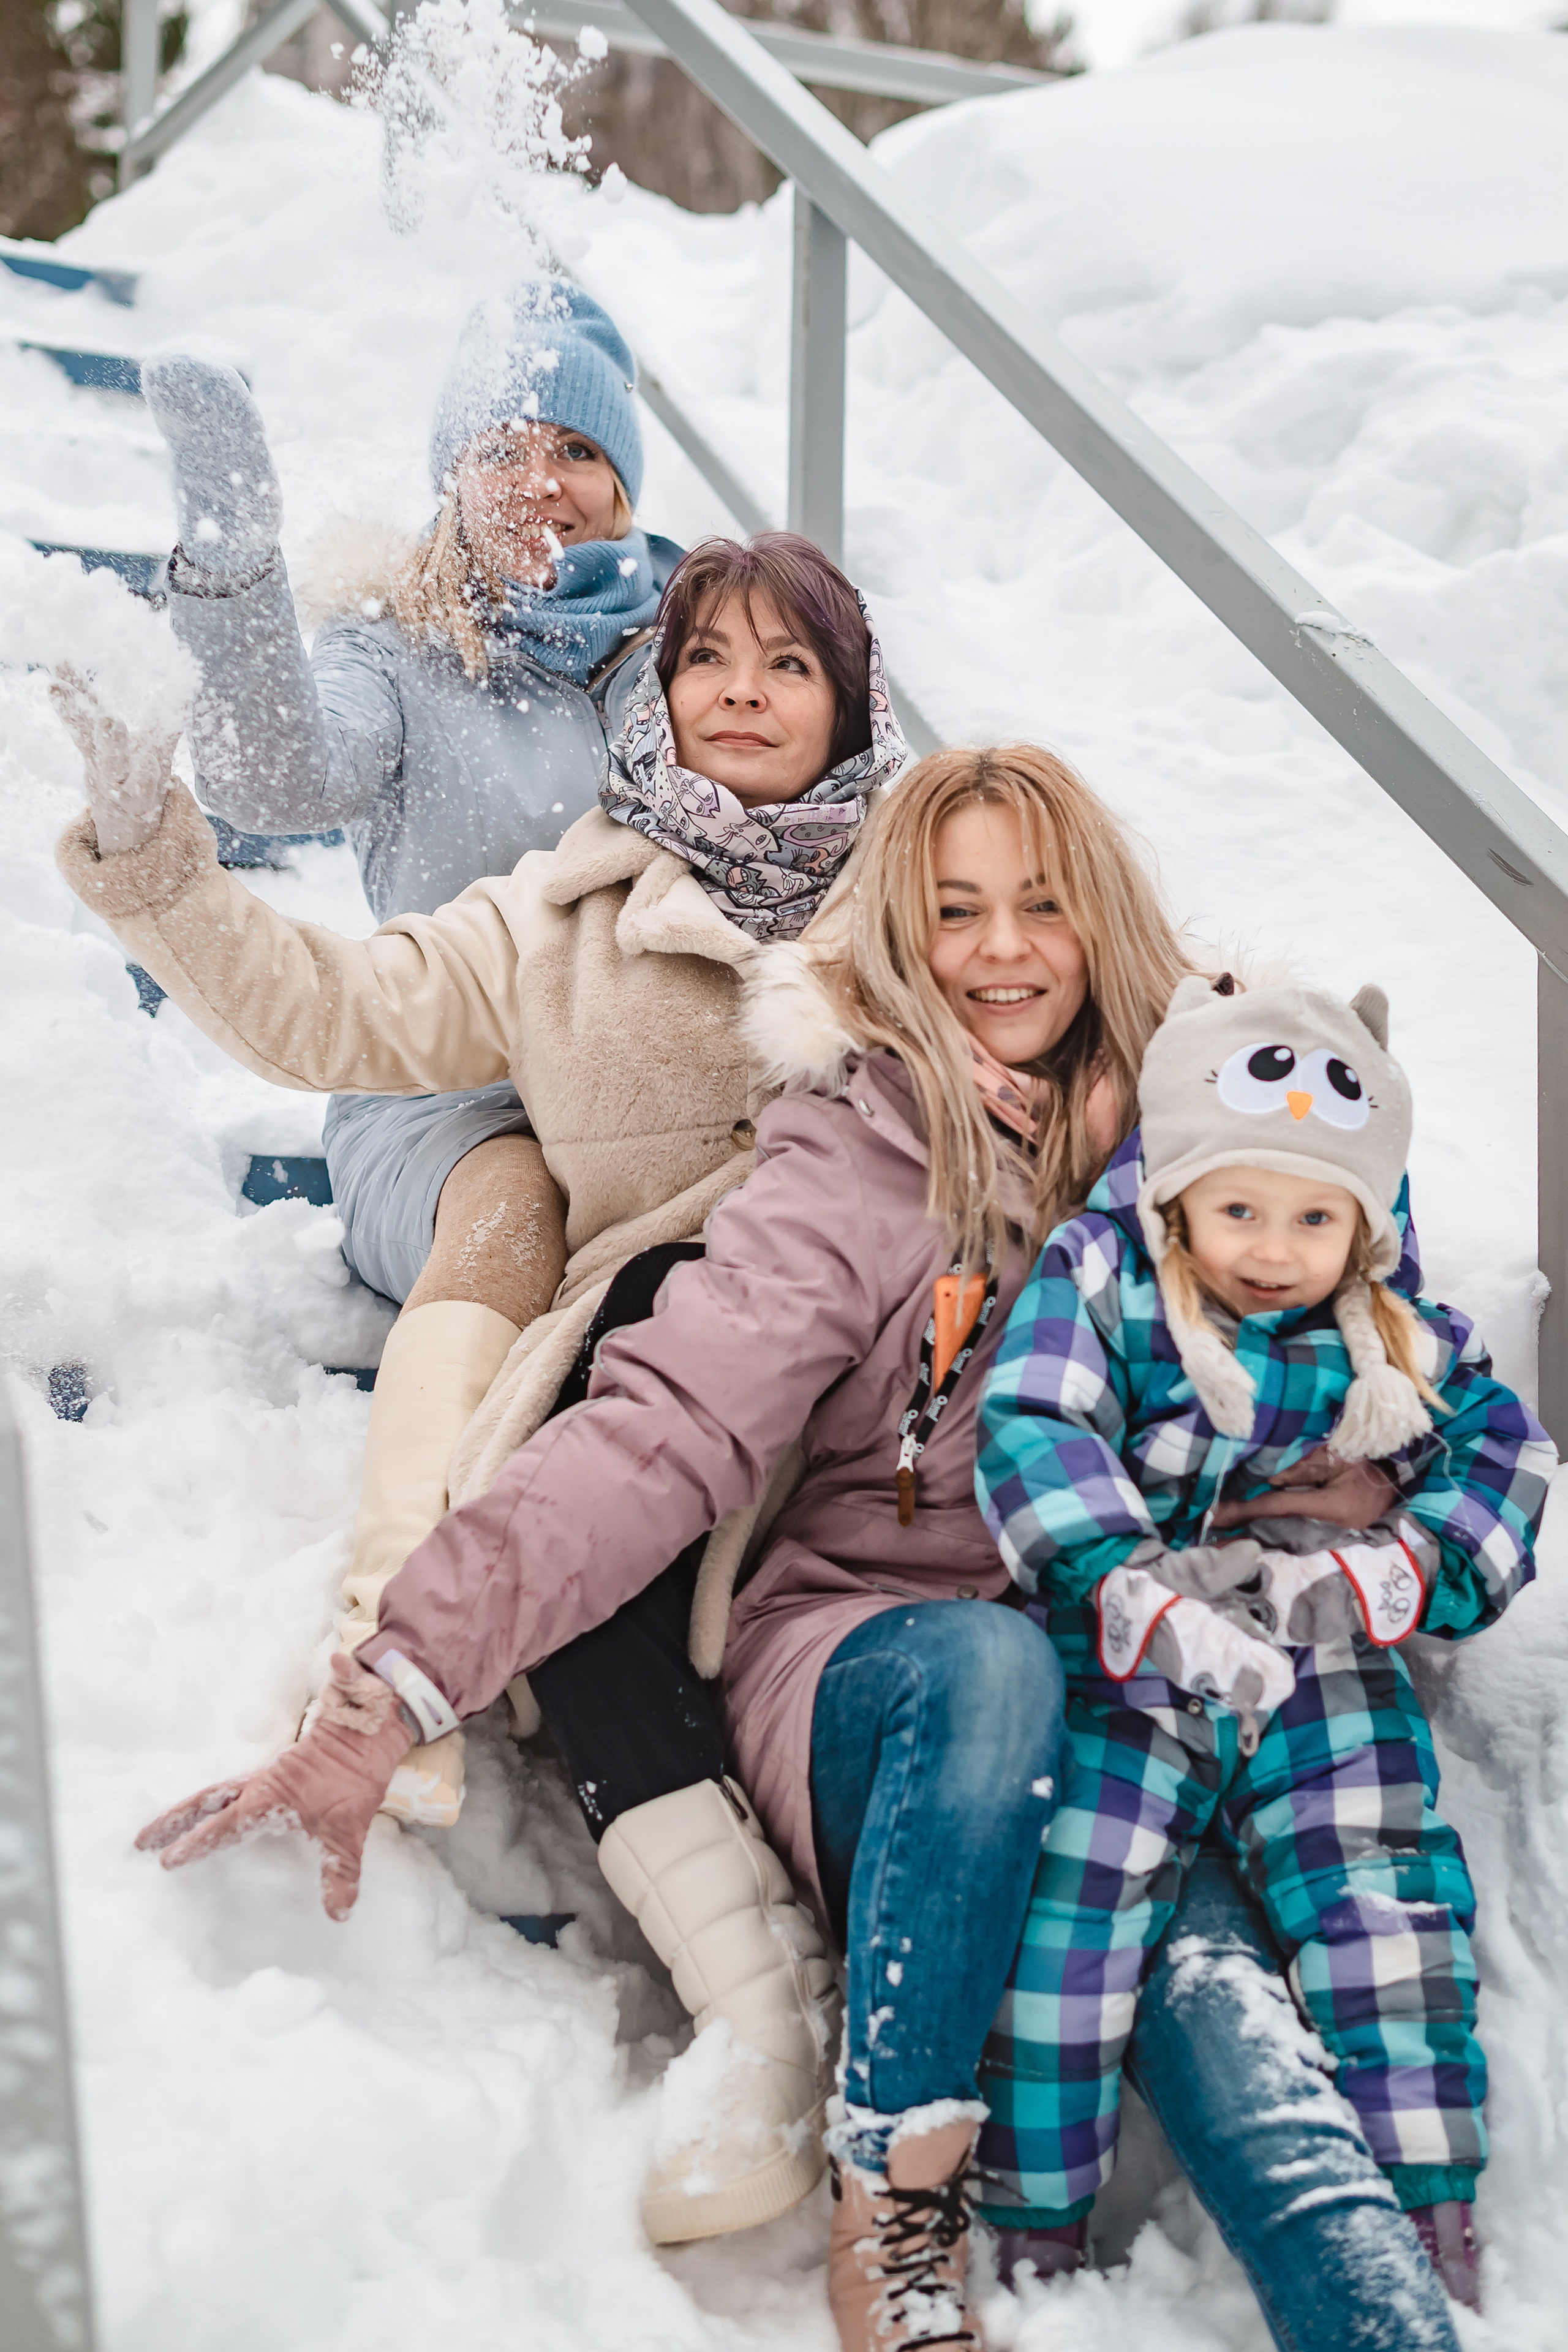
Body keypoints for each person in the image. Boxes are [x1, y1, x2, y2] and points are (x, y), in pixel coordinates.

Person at [52, 529, 907, 2247]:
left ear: (850, 699)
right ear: (659, 692)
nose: (741, 691)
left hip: (888, 1375)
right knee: (592, 1477)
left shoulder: (930, 883)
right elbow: (337, 1013)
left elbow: (1113, 996)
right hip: (654, 1386)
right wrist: (154, 834)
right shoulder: (567, 912)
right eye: (706, 660)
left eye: (787, 663)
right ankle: (756, 2007)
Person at [142, 277, 682, 1824]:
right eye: (499, 449)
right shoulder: (401, 654)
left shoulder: (692, 652)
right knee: (519, 1211)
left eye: (575, 448)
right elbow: (268, 776)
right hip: (442, 1096)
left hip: (650, 1100)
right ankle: (385, 1666)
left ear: (625, 482)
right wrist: (236, 564)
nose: (540, 481)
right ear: (449, 477)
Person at [972, 972, 1555, 2319]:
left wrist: (1395, 1569)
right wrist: (1123, 1584)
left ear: (1360, 1222)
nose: (1271, 1250)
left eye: (1312, 1217)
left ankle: (1427, 2199)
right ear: (1176, 1193)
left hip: (1313, 1648)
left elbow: (1501, 1457)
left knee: (1379, 1892)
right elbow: (1035, 1421)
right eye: (1237, 1209)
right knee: (1074, 1899)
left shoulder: (1386, 1330)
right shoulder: (1106, 1278)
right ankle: (1036, 2215)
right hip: (1135, 1653)